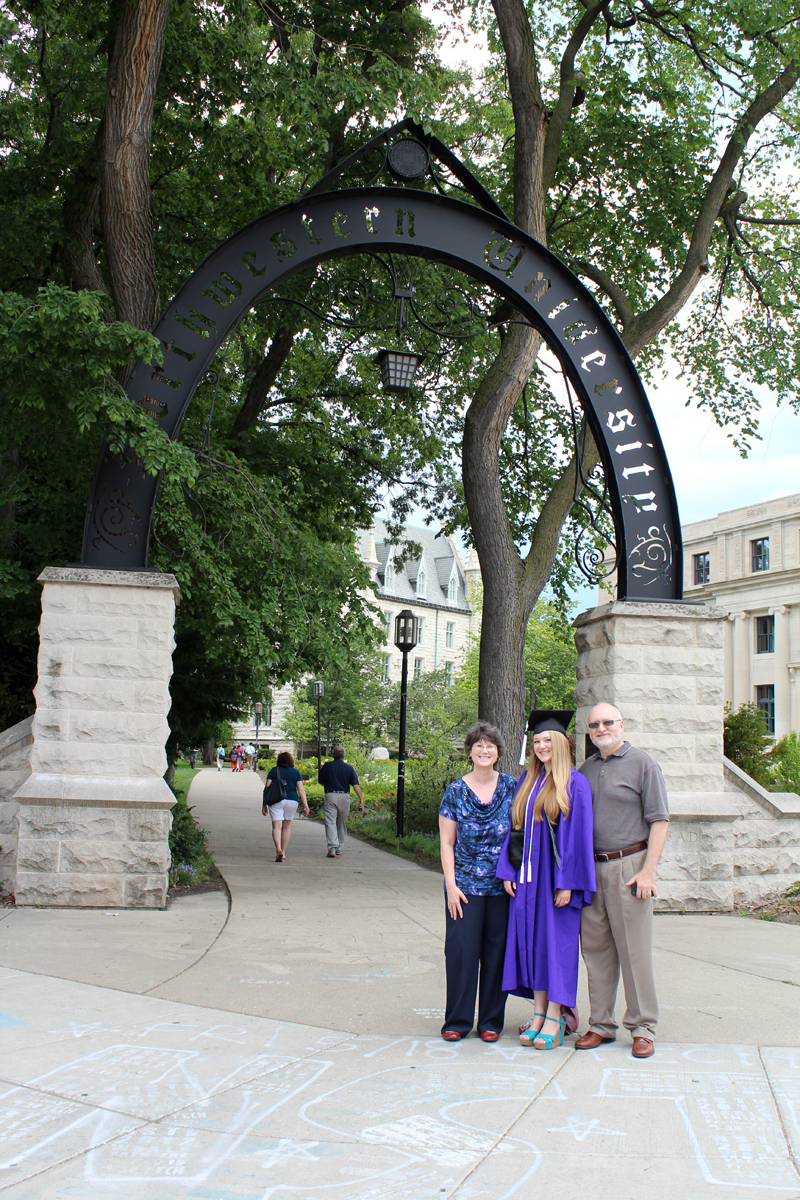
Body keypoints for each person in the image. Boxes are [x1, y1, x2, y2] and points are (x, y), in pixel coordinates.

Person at [496, 710, 595, 1049]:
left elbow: (579, 839)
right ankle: (538, 1013)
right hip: (526, 882)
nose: (540, 746)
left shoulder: (575, 784)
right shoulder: (528, 780)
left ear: (561, 743)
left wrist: (568, 882)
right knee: (532, 944)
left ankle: (556, 1016)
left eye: (546, 740)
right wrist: (508, 871)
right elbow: (513, 831)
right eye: (536, 741)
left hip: (555, 881)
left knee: (557, 946)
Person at [577, 702, 670, 1059]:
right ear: (589, 731)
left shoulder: (643, 764)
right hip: (591, 871)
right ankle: (601, 1024)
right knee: (596, 951)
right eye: (595, 724)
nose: (601, 728)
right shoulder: (584, 770)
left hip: (629, 867)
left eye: (607, 722)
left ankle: (643, 1026)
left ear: (622, 725)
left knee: (634, 952)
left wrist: (648, 870)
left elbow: (659, 820)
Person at [438, 721, 517, 1043]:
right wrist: (451, 886)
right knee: (461, 953)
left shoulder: (512, 787)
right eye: (479, 745)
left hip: (502, 888)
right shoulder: (456, 790)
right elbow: (446, 843)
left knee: (497, 955)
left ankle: (490, 1021)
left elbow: (524, 834)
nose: (485, 751)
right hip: (465, 888)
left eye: (491, 746)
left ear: (498, 752)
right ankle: (457, 1020)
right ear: (469, 751)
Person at [262, 751, 310, 861]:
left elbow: (267, 788)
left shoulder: (274, 771)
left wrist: (264, 804)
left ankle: (278, 849)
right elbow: (301, 790)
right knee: (286, 827)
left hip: (276, 800)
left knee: (277, 827)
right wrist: (306, 806)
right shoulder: (296, 772)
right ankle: (283, 852)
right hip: (292, 800)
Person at [318, 747, 364, 857]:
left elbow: (321, 781)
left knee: (330, 821)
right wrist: (361, 799)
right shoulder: (349, 768)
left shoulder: (327, 766)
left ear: (333, 755)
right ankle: (340, 847)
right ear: (343, 756)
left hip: (330, 795)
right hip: (344, 796)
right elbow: (355, 785)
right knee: (341, 822)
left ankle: (332, 846)